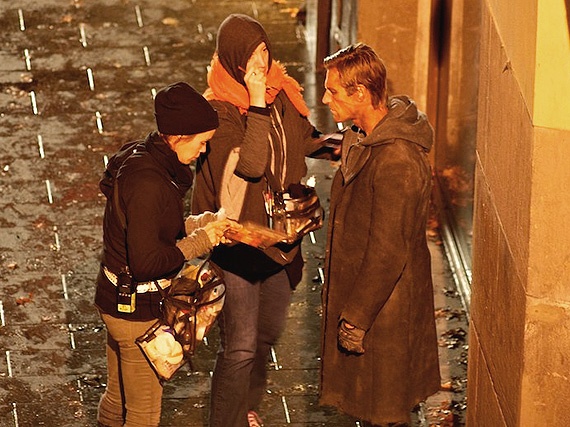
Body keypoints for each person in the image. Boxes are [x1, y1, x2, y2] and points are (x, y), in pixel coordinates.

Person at [191, 13, 332, 427]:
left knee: (267, 332)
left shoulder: (280, 92)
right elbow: (251, 165)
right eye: (251, 56)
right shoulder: (217, 112)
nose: (261, 62)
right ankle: (227, 421)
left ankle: (245, 405)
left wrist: (345, 144)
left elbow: (303, 138)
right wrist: (255, 102)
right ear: (234, 60)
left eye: (265, 51)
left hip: (279, 239)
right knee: (240, 347)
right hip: (237, 243)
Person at [95, 81, 234, 427]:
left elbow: (148, 227)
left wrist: (198, 224)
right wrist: (201, 241)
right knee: (143, 414)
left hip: (116, 299)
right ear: (179, 136)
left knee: (118, 398)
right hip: (136, 314)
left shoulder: (142, 157)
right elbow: (147, 263)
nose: (203, 150)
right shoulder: (149, 183)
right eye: (201, 142)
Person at [319, 43, 441, 427]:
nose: (325, 99)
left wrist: (356, 318)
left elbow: (388, 252)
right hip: (373, 304)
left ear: (360, 93)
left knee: (386, 413)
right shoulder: (364, 137)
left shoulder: (396, 161)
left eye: (332, 91)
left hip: (384, 314)